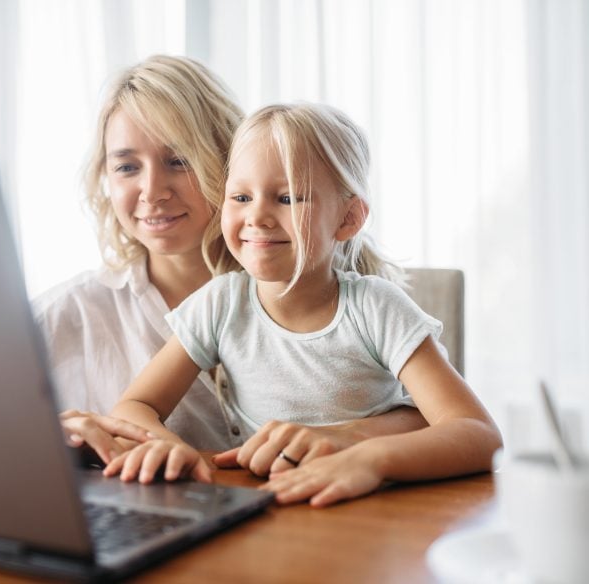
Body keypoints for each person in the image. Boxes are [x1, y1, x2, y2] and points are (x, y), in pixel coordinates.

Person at [34, 56, 429, 467]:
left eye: (178, 160)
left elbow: (441, 422)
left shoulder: (339, 286)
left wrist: (344, 436)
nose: (151, 191)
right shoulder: (60, 316)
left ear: (230, 162)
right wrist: (48, 436)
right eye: (127, 167)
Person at [105, 103, 502, 501]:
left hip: (371, 509)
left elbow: (478, 433)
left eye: (289, 198)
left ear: (348, 218)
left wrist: (368, 459)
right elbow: (135, 405)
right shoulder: (220, 304)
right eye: (241, 196)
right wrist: (164, 444)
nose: (257, 216)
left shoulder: (376, 308)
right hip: (270, 504)